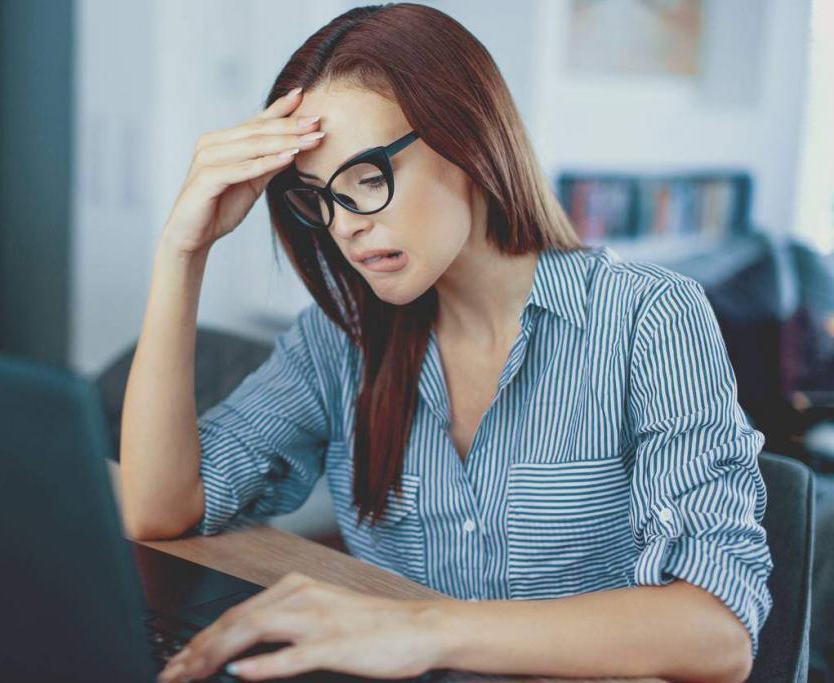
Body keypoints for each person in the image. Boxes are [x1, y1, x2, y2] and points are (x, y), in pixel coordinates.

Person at [120, 4, 772, 682]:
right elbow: (161, 509)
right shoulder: (340, 337)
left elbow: (717, 632)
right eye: (319, 197)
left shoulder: (649, 319)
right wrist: (183, 249)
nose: (343, 226)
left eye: (367, 180)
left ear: (465, 140)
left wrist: (425, 630)